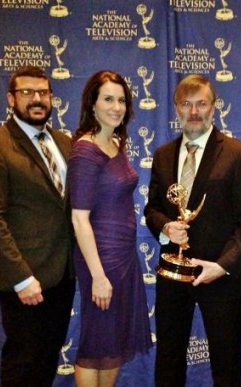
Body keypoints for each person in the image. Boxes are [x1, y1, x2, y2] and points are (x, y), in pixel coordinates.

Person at [144, 74, 241, 387]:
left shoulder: (237, 153)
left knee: (225, 362)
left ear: (214, 107)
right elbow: (151, 209)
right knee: (168, 358)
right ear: (177, 109)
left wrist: (222, 266)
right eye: (186, 104)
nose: (193, 111)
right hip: (172, 273)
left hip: (218, 276)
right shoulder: (163, 154)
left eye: (201, 104)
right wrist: (166, 228)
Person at [0, 66, 75, 387]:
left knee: (46, 361)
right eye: (27, 93)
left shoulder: (65, 143)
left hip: (63, 274)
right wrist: (21, 278)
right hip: (25, 280)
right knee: (23, 365)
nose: (37, 99)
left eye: (43, 93)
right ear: (11, 98)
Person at [68, 70, 152, 386]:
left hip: (124, 257)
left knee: (112, 341)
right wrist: (99, 276)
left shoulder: (115, 142)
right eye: (108, 99)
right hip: (100, 259)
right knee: (95, 343)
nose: (116, 107)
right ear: (92, 104)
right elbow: (79, 218)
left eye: (121, 100)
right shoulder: (86, 150)